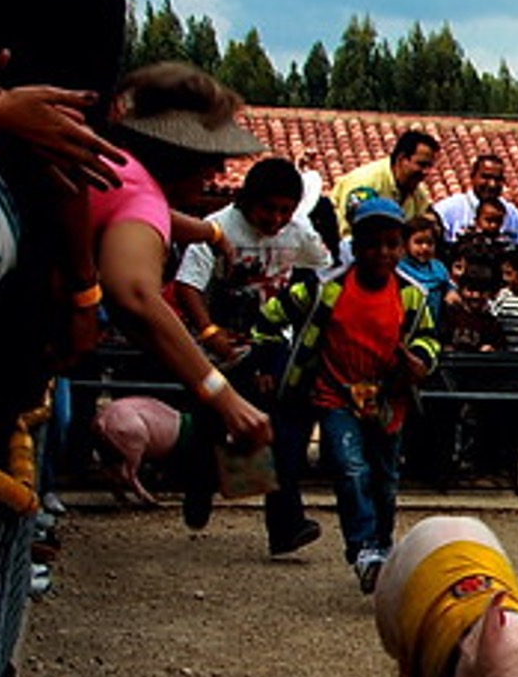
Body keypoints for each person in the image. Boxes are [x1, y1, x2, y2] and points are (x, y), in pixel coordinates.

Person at [87, 64, 274, 535]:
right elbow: (136, 297)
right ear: (176, 152)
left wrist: (206, 231)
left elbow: (144, 209)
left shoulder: (111, 165)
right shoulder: (140, 198)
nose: (217, 171)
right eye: (208, 158)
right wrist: (222, 396)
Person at [251, 197, 439, 593]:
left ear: (401, 246)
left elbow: (429, 341)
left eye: (392, 244)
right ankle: (363, 548)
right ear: (357, 244)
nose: (383, 253)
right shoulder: (325, 289)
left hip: (388, 399)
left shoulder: (412, 295)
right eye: (374, 244)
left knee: (385, 479)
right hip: (334, 394)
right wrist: (268, 364)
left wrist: (419, 360)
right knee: (349, 467)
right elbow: (269, 319)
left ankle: (382, 548)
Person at [174, 156, 331, 365]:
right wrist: (209, 331)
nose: (276, 219)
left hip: (274, 346)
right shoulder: (217, 227)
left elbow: (325, 274)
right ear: (248, 200)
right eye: (268, 208)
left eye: (285, 211)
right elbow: (187, 286)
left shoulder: (299, 230)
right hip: (217, 348)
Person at [327, 129, 438, 237]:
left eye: (429, 166)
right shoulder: (366, 182)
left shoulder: (419, 195)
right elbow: (349, 233)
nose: (426, 172)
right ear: (401, 159)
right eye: (422, 165)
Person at [431, 152, 518, 245]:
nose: (492, 184)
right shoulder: (448, 209)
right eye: (486, 177)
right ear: (472, 176)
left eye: (497, 179)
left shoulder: (512, 213)